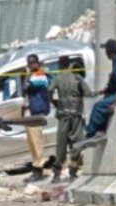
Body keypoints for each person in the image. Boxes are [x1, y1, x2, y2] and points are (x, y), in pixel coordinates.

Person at [75, 39, 116, 150]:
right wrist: (103, 91)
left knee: (99, 106)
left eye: (106, 49)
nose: (105, 51)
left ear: (109, 50)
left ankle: (90, 134)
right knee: (105, 100)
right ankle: (100, 131)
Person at [48, 56, 94, 183]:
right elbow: (88, 93)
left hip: (63, 114)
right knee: (77, 142)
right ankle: (73, 170)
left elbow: (49, 91)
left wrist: (55, 103)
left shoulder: (57, 78)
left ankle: (56, 173)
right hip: (76, 115)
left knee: (61, 144)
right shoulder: (76, 77)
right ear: (69, 65)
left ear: (59, 66)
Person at [23, 54, 50, 183]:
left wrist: (27, 76)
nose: (31, 65)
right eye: (29, 63)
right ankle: (36, 167)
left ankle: (39, 169)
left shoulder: (40, 74)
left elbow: (28, 87)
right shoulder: (33, 74)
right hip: (30, 111)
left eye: (33, 63)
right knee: (32, 142)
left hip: (36, 111)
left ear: (37, 63)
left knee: (37, 142)